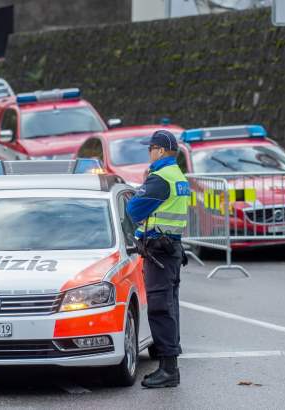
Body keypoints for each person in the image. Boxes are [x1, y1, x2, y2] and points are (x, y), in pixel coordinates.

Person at [127, 129, 189, 388]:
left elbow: (133, 208)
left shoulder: (160, 178)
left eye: (150, 149)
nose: (149, 153)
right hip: (171, 248)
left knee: (160, 308)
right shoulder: (178, 176)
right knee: (169, 306)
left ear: (160, 150)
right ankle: (170, 360)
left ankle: (168, 369)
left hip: (160, 251)